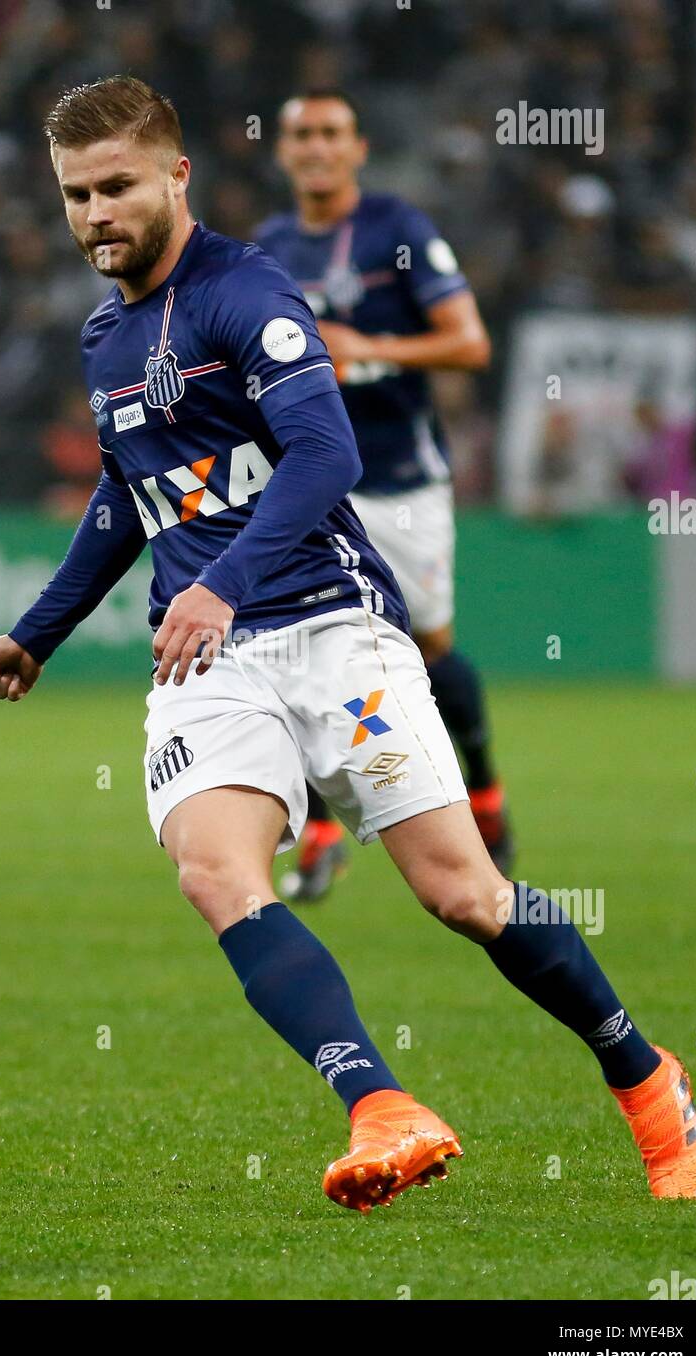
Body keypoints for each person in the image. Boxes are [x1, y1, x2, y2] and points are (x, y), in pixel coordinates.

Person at [0, 76, 696, 1211]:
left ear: (175, 176)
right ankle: (380, 1105)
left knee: (461, 893)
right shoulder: (105, 337)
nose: (94, 214)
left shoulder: (247, 295)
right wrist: (37, 634)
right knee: (215, 871)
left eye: (116, 186)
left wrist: (218, 582)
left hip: (333, 629)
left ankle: (646, 1078)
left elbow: (323, 457)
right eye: (74, 195)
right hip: (210, 664)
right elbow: (127, 497)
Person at [257, 90, 510, 900]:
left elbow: (470, 343)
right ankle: (322, 832)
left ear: (358, 148)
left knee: (430, 651)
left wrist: (373, 348)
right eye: (302, 134)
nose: (317, 147)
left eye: (331, 133)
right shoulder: (267, 246)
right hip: (308, 482)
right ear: (283, 151)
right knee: (298, 643)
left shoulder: (398, 230)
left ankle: (485, 789)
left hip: (400, 480)